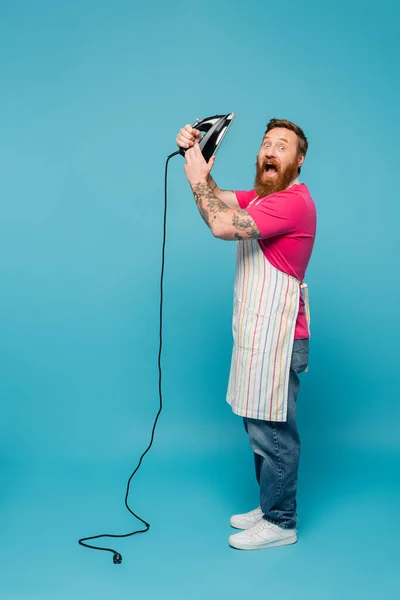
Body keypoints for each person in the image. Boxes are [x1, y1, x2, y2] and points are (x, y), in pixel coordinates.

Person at [175, 118, 317, 551]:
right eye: (266, 143)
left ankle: (281, 520)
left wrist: (196, 179)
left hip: (279, 339)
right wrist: (195, 157)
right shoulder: (260, 197)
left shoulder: (293, 203)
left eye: (283, 146)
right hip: (257, 332)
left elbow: (220, 224)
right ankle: (270, 502)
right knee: (257, 425)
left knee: (274, 432)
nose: (271, 150)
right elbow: (216, 198)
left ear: (298, 160)